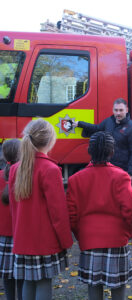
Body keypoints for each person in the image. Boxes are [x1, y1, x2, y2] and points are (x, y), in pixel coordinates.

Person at [8, 119, 73, 300]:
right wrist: (66, 241)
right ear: (51, 141)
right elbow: (58, 213)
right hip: (44, 241)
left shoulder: (15, 169)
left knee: (29, 282)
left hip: (22, 239)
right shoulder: (50, 170)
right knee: (44, 282)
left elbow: (14, 209)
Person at [66, 131, 132, 300]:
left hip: (89, 240)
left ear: (89, 151)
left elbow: (72, 215)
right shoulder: (121, 176)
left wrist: (80, 234)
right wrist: (127, 233)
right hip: (117, 238)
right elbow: (130, 210)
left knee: (93, 287)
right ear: (112, 152)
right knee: (118, 287)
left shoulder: (76, 179)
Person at [74, 98, 132, 177]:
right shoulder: (109, 121)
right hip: (107, 168)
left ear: (126, 110)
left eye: (121, 110)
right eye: (116, 110)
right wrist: (80, 124)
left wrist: (130, 173)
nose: (118, 113)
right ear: (113, 110)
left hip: (121, 170)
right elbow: (96, 128)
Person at [0, 139, 23, 300]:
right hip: (21, 234)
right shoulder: (26, 176)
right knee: (22, 275)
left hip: (2, 234)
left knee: (6, 275)